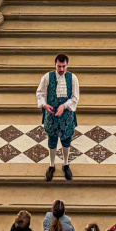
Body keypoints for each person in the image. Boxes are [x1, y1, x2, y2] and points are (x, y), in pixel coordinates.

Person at [37, 53, 80, 181]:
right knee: (52, 140)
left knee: (66, 140)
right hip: (52, 115)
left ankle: (66, 164)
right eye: (59, 66)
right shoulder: (47, 77)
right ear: (55, 65)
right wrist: (44, 105)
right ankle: (51, 165)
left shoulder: (73, 79)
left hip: (66, 116)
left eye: (64, 66)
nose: (61, 69)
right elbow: (39, 93)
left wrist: (64, 106)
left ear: (67, 65)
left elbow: (75, 97)